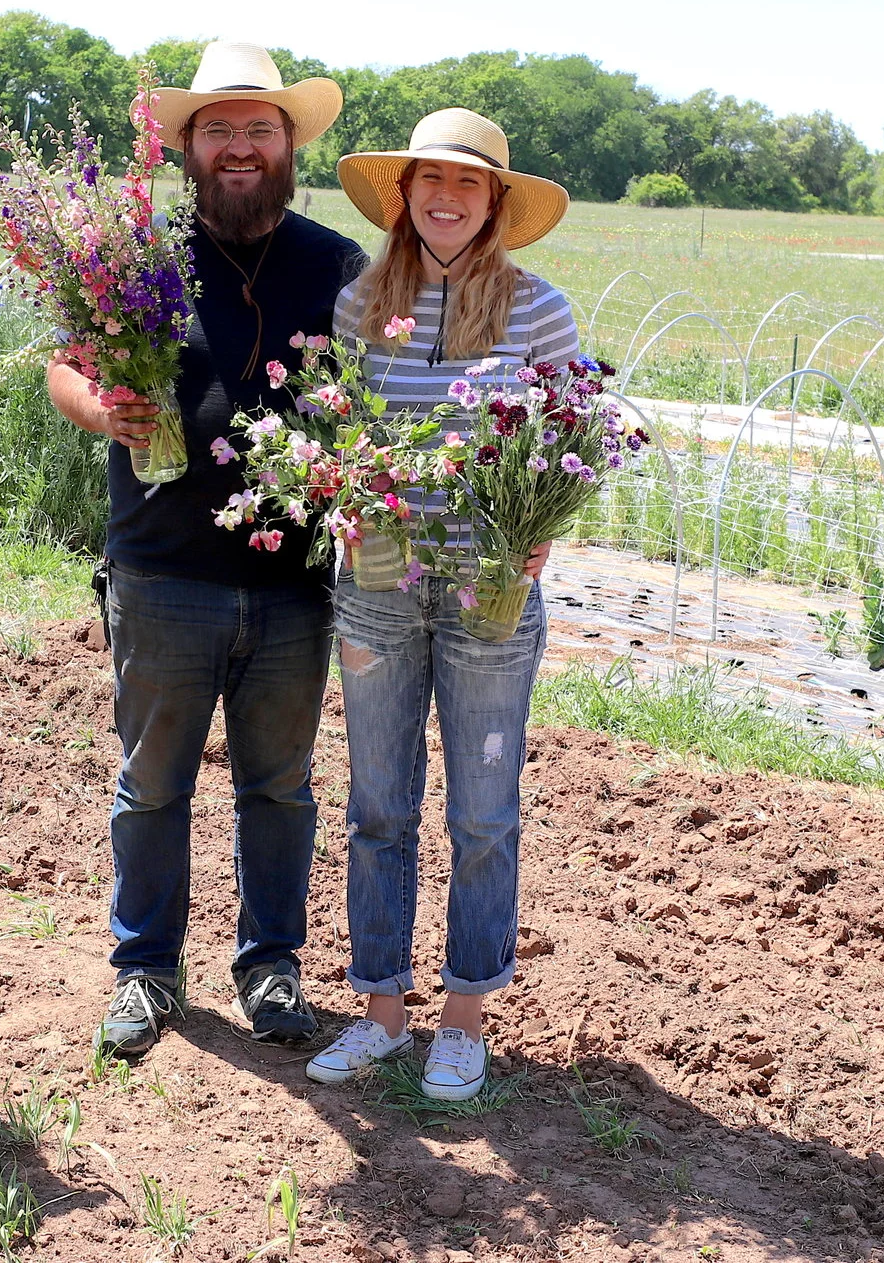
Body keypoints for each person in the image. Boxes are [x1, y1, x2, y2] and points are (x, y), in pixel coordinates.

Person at [47, 41, 367, 1058]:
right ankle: (145, 972)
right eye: (218, 129)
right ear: (187, 145)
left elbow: (372, 400)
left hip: (291, 584)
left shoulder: (336, 264)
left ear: (288, 144)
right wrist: (105, 409)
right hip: (162, 569)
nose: (238, 147)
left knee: (279, 785)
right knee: (151, 784)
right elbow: (64, 370)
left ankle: (270, 966)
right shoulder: (133, 256)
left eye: (257, 128)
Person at [303, 107, 576, 1102]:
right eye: (430, 181)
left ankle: (463, 1015)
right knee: (377, 803)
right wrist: (336, 490)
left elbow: (570, 437)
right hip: (377, 591)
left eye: (468, 184)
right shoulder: (361, 302)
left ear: (495, 201)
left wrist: (551, 523)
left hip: (488, 597)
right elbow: (335, 428)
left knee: (481, 811)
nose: (447, 198)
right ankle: (379, 1006)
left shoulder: (538, 310)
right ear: (404, 195)